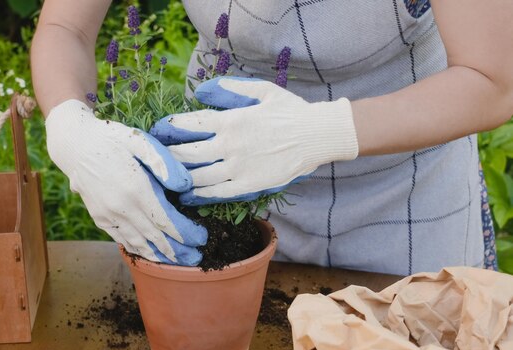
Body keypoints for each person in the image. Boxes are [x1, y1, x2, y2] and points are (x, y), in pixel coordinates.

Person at [31, 0, 513, 276]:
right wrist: (72, 127)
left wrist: (321, 132)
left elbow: (494, 80)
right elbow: (65, 27)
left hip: (402, 192)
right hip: (227, 182)